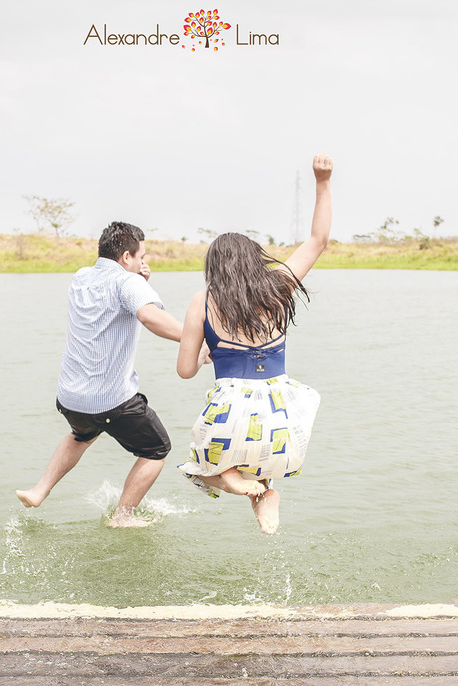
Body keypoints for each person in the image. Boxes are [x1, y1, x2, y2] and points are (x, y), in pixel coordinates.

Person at [175, 153, 333, 535]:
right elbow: (318, 240)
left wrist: (205, 354)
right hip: (284, 416)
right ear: (254, 261)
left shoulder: (203, 300)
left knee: (198, 464)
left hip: (231, 411)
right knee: (260, 447)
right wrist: (323, 181)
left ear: (215, 268)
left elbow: (184, 371)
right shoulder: (278, 287)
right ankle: (265, 495)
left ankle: (232, 480)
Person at [17, 221, 187, 527]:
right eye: (140, 257)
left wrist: (138, 278)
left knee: (81, 435)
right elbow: (150, 316)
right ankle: (122, 517)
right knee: (156, 449)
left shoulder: (81, 277)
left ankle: (39, 490)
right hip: (111, 401)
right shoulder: (128, 283)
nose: (143, 263)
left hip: (70, 398)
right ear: (126, 257)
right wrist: (194, 340)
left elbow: (112, 300)